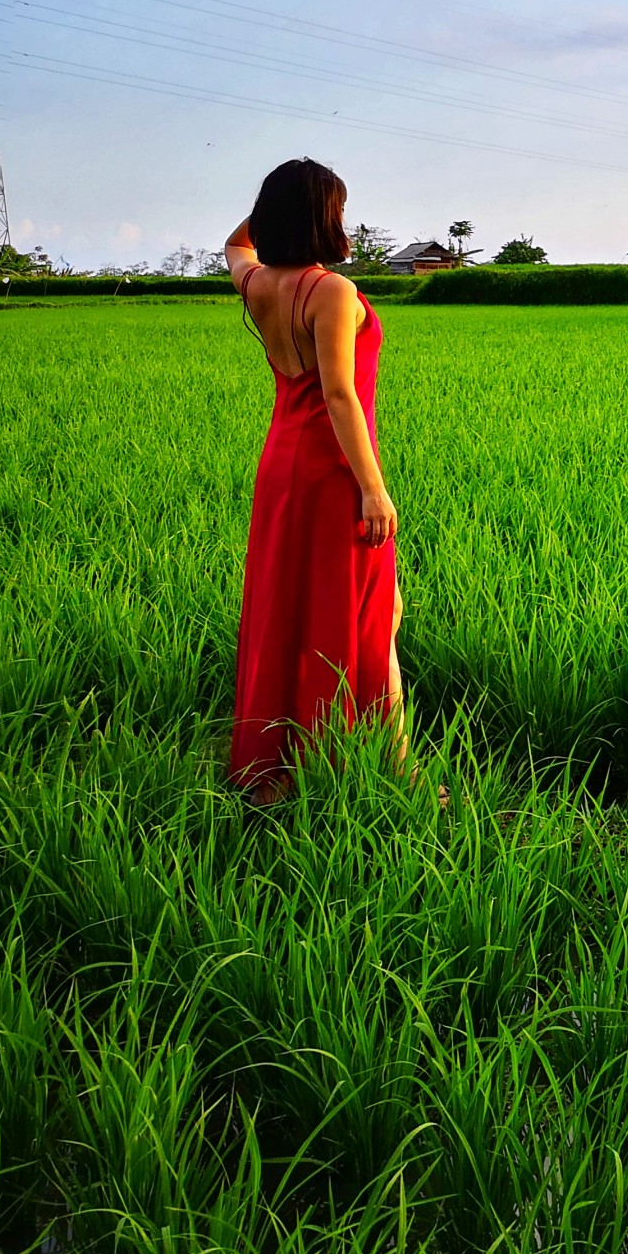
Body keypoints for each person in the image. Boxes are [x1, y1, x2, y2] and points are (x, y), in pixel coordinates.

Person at [224, 159, 403, 801]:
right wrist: (374, 487)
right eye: (337, 208)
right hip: (332, 472)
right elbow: (339, 394)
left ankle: (283, 767)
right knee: (375, 615)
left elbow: (236, 243)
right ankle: (394, 770)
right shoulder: (332, 291)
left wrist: (274, 208)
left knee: (288, 608)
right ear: (325, 217)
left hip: (281, 465)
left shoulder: (257, 281)